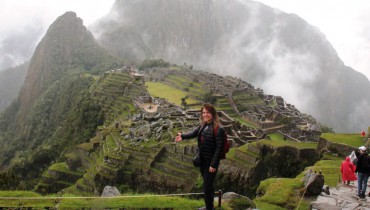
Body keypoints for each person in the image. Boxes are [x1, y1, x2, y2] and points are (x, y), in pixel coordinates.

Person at [175, 103, 225, 210]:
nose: (205, 115)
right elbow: (194, 133)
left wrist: (213, 164)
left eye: (207, 112)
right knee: (209, 186)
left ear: (212, 113)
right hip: (202, 161)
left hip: (211, 163)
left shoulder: (218, 129)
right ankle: (209, 206)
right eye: (203, 113)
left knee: (207, 187)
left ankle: (208, 208)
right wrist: (182, 136)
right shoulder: (203, 125)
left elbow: (219, 149)